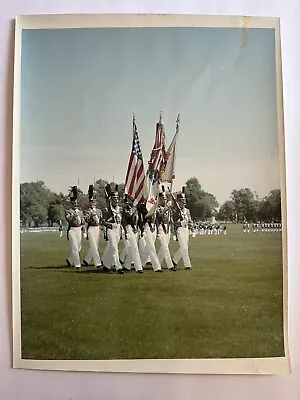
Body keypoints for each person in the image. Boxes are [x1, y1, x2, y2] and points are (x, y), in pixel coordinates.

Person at [101, 184, 124, 274]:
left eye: (117, 198)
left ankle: (106, 265)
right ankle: (118, 267)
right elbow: (103, 221)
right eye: (114, 198)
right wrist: (110, 225)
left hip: (118, 229)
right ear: (111, 199)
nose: (117, 200)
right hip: (111, 229)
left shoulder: (120, 209)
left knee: (112, 248)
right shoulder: (107, 209)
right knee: (114, 248)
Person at [171, 187, 193, 270]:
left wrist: (191, 227)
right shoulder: (175, 211)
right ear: (178, 202)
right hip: (179, 229)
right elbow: (174, 223)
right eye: (182, 201)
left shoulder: (187, 211)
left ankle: (174, 261)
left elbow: (190, 220)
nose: (184, 203)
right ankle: (187, 265)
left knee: (184, 247)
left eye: (184, 201)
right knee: (184, 247)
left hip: (186, 229)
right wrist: (181, 222)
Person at [121, 194, 143, 273]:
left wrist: (141, 229)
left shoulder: (136, 208)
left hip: (135, 228)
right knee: (134, 247)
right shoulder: (126, 207)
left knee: (132, 248)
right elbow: (128, 216)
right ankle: (139, 267)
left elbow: (139, 219)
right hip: (129, 227)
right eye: (131, 198)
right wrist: (134, 209)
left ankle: (127, 265)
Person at [82, 185, 103, 268]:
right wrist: (89, 214)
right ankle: (98, 263)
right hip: (91, 228)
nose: (92, 203)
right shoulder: (87, 211)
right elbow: (86, 220)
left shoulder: (99, 211)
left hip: (97, 228)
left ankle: (86, 260)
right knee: (94, 246)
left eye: (93, 202)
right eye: (91, 202)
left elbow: (100, 220)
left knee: (95, 246)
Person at [138, 202, 162, 272]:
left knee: (148, 248)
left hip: (154, 227)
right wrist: (153, 209)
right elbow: (146, 216)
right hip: (147, 226)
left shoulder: (154, 203)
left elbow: (159, 216)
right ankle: (157, 267)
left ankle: (141, 264)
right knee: (151, 247)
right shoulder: (142, 205)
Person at [65, 186, 85, 269]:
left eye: (76, 202)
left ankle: (70, 260)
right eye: (74, 203)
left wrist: (84, 231)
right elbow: (68, 219)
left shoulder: (80, 211)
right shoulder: (68, 211)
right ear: (71, 203)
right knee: (74, 247)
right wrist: (73, 215)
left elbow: (83, 222)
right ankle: (77, 264)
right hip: (72, 229)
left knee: (79, 247)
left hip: (79, 229)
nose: (76, 204)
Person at [156, 187, 175, 271]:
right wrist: (166, 208)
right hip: (161, 227)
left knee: (163, 247)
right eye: (163, 198)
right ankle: (170, 265)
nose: (165, 200)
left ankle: (157, 262)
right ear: (159, 199)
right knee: (165, 247)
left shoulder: (168, 208)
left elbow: (170, 219)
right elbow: (159, 216)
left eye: (165, 198)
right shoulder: (157, 208)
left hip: (168, 228)